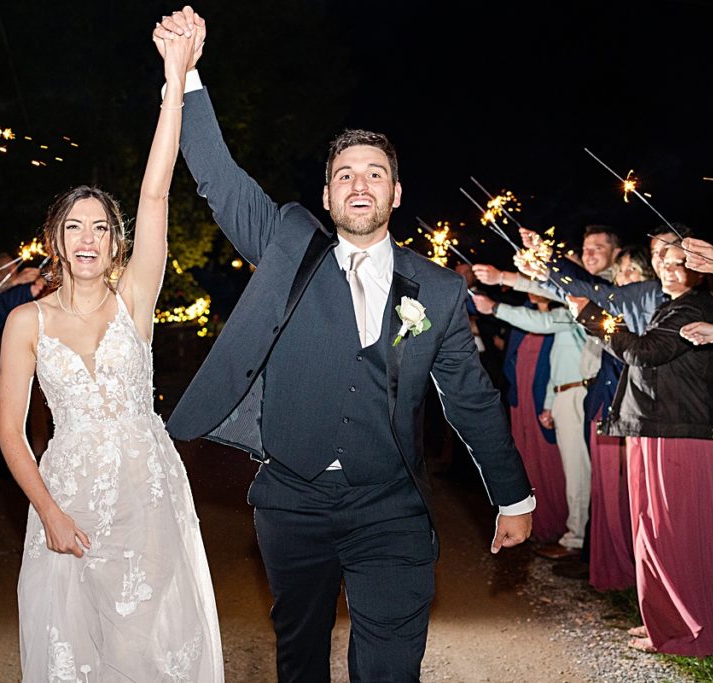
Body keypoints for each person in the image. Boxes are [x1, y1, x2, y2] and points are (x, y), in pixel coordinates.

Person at [155, 8, 532, 681]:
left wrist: (515, 496)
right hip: (292, 500)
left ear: (396, 192)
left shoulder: (438, 290)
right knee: (301, 653)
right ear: (328, 197)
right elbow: (217, 174)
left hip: (389, 502)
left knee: (389, 662)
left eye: (376, 172)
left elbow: (472, 400)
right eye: (346, 174)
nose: (361, 183)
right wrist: (184, 73)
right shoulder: (287, 245)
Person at [0, 21, 223, 681]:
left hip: (146, 485)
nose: (89, 238)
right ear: (56, 239)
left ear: (116, 244)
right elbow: (11, 433)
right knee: (81, 637)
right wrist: (49, 511)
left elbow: (155, 192)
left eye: (101, 227)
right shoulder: (26, 322)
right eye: (75, 226)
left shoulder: (134, 302)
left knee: (147, 634)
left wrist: (175, 81)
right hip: (70, 488)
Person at [574, 244, 713, 655]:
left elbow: (644, 353)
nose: (667, 267)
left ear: (700, 270)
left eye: (677, 261)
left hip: (681, 434)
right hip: (657, 428)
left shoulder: (696, 306)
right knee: (654, 533)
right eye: (662, 261)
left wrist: (594, 318)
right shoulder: (673, 305)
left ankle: (695, 627)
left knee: (676, 532)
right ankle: (667, 623)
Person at [473, 293, 571, 545]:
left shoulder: (562, 316)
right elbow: (509, 356)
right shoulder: (520, 312)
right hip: (521, 399)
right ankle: (529, 522)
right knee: (526, 459)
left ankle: (556, 524)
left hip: (543, 399)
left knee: (549, 462)